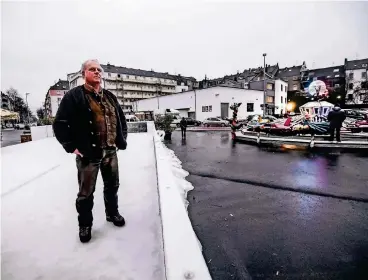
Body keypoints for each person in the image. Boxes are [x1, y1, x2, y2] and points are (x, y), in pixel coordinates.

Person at [53, 59, 128, 243]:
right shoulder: (74, 96)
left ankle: (112, 213)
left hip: (110, 151)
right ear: (83, 73)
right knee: (86, 193)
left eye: (99, 70)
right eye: (92, 69)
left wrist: (121, 139)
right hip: (88, 154)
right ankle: (85, 225)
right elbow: (60, 124)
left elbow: (121, 120)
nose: (97, 72)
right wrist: (72, 147)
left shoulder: (109, 96)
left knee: (113, 186)